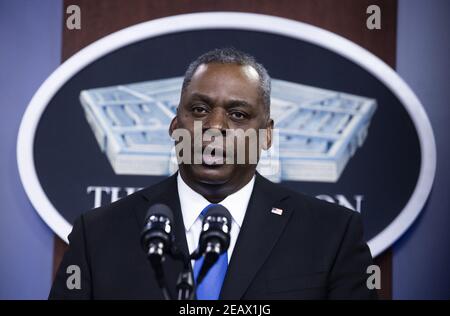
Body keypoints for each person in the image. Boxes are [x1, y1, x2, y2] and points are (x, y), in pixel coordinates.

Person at [49, 48, 377, 299]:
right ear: (175, 125)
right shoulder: (98, 234)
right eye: (199, 110)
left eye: (237, 114)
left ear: (266, 135)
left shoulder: (332, 234)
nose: (214, 127)